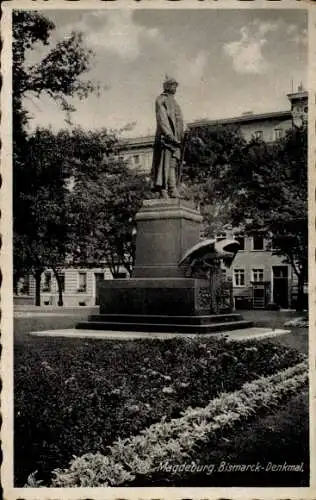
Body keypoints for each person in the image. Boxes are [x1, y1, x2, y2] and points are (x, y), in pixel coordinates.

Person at [151, 76, 184, 198]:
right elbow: (162, 119)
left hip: (176, 140)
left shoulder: (174, 102)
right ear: (167, 86)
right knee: (165, 164)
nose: (175, 87)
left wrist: (182, 135)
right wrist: (169, 135)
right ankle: (166, 189)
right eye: (173, 85)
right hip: (167, 139)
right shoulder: (161, 100)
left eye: (176, 85)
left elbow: (178, 120)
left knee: (173, 164)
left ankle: (172, 189)